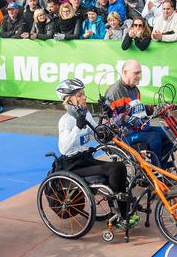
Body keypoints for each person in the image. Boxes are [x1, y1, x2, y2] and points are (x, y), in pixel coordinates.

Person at [54, 78, 134, 226]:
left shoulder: (85, 114)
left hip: (85, 158)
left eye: (83, 94)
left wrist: (109, 124)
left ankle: (124, 210)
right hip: (72, 165)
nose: (84, 97)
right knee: (114, 169)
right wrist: (77, 127)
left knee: (121, 166)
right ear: (68, 100)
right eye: (79, 95)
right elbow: (63, 148)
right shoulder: (66, 120)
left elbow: (97, 134)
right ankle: (119, 214)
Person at [104, 59, 173, 166]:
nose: (139, 76)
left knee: (170, 133)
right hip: (122, 135)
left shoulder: (135, 89)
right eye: (136, 73)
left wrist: (156, 109)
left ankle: (161, 168)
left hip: (138, 129)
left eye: (139, 73)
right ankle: (156, 172)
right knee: (155, 137)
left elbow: (138, 110)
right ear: (125, 72)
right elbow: (110, 121)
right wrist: (126, 119)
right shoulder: (113, 92)